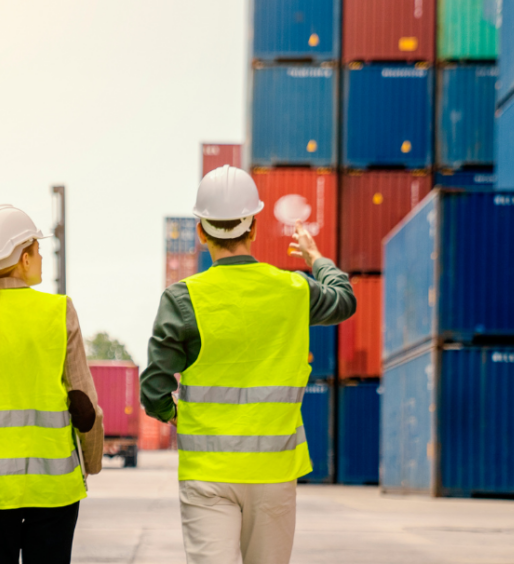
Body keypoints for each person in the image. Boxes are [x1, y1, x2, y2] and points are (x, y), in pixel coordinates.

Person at [140, 166, 356, 564]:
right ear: (254, 227)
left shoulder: (182, 297)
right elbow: (344, 299)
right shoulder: (293, 289)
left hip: (207, 472)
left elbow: (153, 387)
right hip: (273, 473)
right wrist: (315, 256)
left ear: (201, 231)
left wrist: (173, 414)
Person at [0, 204, 105, 564]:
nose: (42, 256)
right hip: (52, 489)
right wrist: (91, 464)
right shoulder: (58, 310)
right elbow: (84, 406)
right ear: (24, 258)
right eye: (38, 249)